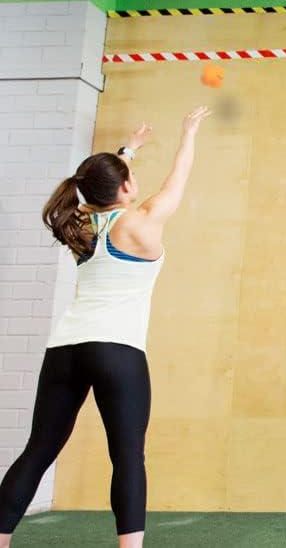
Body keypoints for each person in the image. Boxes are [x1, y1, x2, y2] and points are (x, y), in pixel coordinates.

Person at [0, 108, 211, 548]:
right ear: (128, 188)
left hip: (65, 349)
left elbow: (102, 188)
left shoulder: (77, 224)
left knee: (39, 450)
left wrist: (127, 151)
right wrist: (188, 133)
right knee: (128, 457)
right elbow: (177, 182)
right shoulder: (141, 222)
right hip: (118, 351)